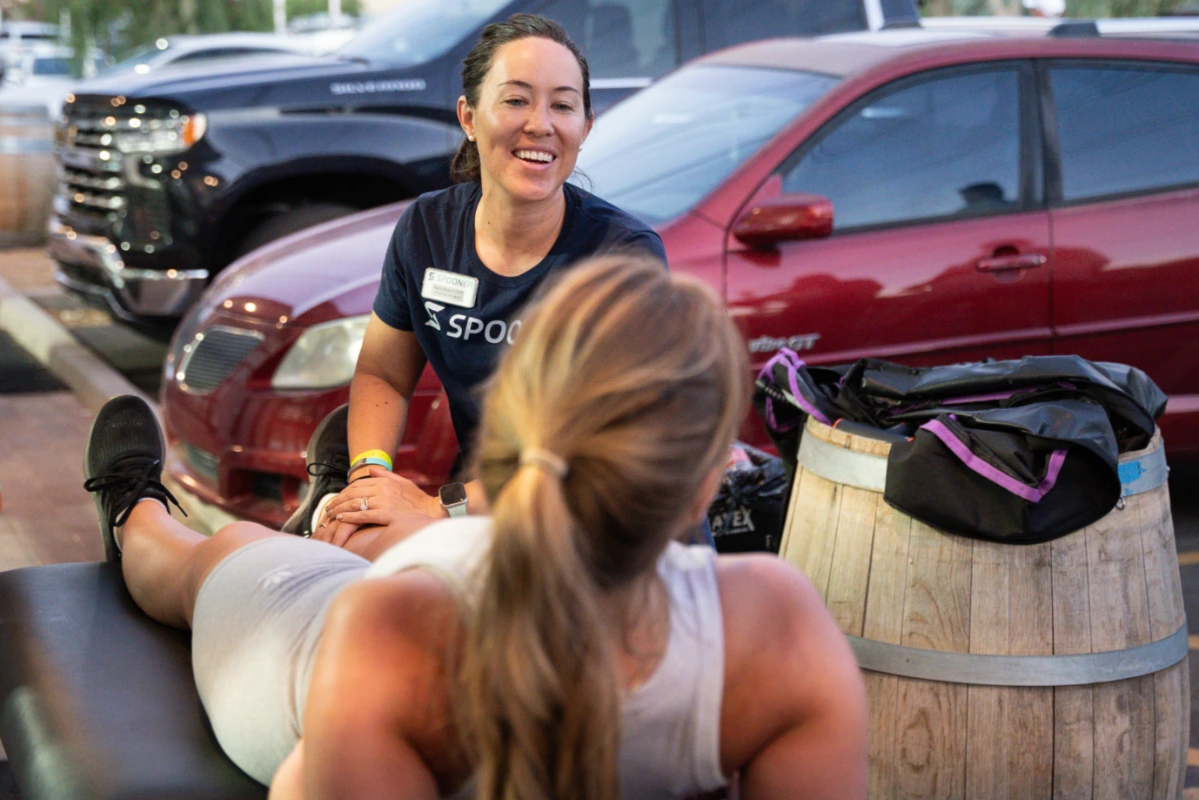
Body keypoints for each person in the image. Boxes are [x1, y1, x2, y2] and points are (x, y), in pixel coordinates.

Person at [82, 256, 868, 799]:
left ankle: (144, 517)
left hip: (336, 639)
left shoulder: (389, 635)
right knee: (296, 555)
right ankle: (209, 509)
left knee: (219, 552)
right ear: (708, 483)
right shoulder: (780, 624)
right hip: (417, 591)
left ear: (508, 438)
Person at [280, 14, 668, 542]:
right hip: (482, 509)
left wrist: (439, 507)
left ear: (585, 127)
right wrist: (370, 474)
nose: (540, 123)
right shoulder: (428, 230)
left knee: (354, 556)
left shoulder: (621, 259)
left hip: (594, 528)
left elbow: (608, 463)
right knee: (349, 537)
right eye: (515, 99)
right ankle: (332, 501)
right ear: (468, 116)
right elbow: (382, 375)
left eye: (562, 104)